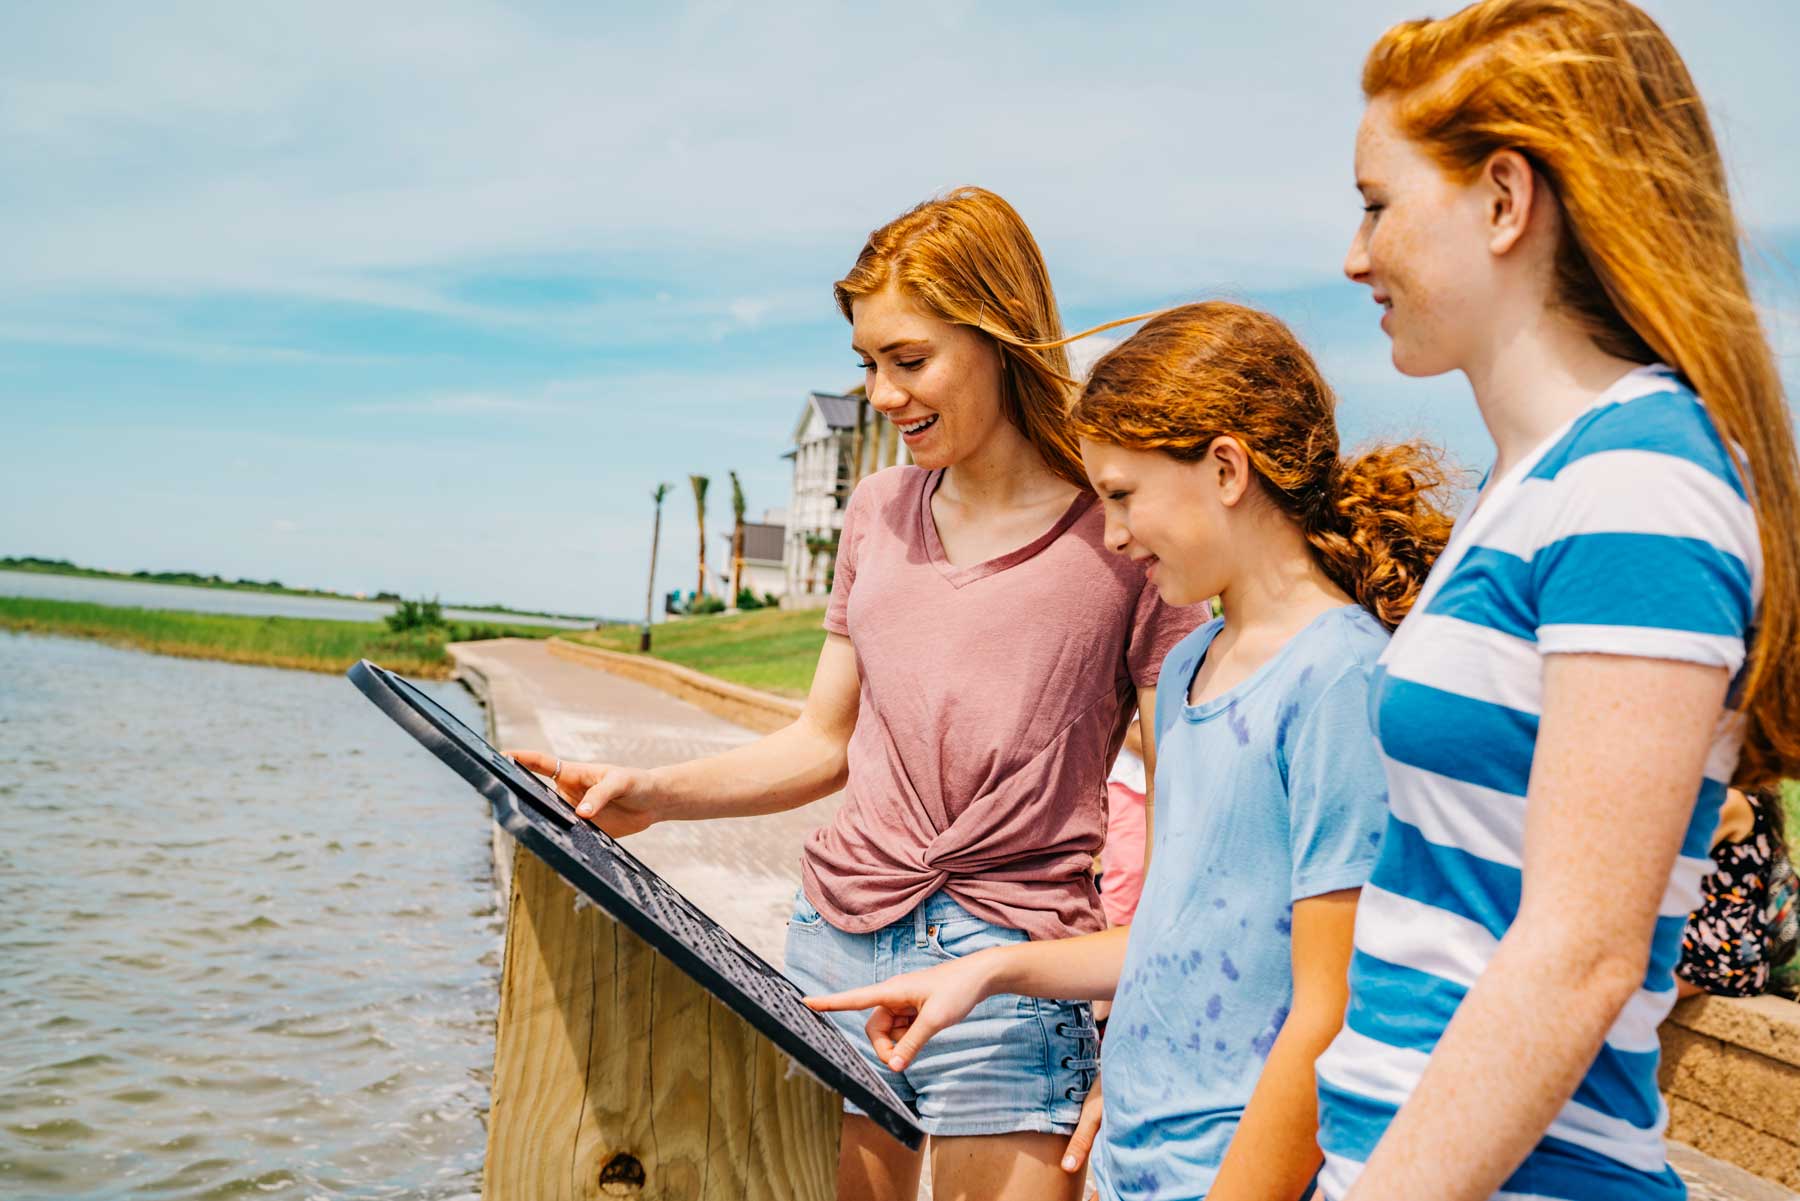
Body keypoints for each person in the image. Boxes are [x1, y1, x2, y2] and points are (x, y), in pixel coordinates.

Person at [513, 186, 1204, 1201]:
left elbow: (1188, 816)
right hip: (836, 946)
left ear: (1002, 337)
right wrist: (653, 795)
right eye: (867, 365)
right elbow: (821, 741)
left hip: (1011, 974)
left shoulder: (1122, 535)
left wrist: (1142, 1023)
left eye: (909, 361)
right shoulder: (877, 512)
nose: (882, 395)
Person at [1311, 3, 1800, 1198]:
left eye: (1378, 203)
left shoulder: (1639, 481)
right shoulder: (1540, 480)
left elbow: (1579, 955)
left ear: (1503, 200)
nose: (1352, 255)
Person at [808, 300, 1454, 1201]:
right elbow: (1170, 931)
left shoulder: (1340, 680)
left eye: (1122, 495)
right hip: (1127, 1161)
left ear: (1226, 468)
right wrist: (986, 972)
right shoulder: (1191, 663)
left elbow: (1329, 1011)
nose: (1110, 534)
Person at [1677, 788, 1799, 999]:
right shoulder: (1742, 800)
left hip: (1720, 950)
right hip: (1723, 946)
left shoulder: (1730, 802)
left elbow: (1670, 865)